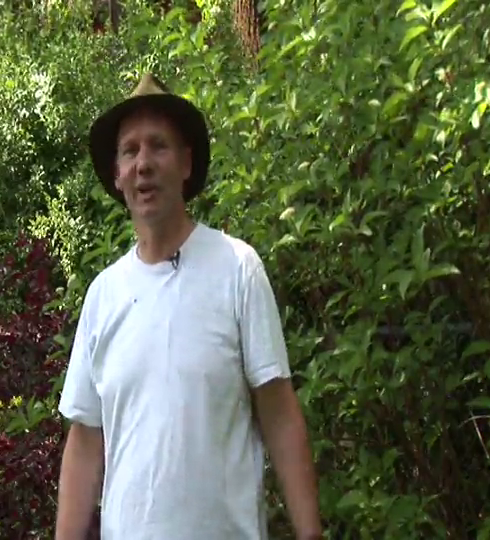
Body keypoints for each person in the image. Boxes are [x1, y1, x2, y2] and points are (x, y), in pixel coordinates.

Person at [55, 73, 322, 540]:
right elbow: (85, 440)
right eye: (129, 151)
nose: (143, 164)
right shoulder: (103, 295)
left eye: (158, 146)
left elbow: (278, 413)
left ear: (185, 163)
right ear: (117, 175)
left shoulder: (237, 268)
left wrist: (311, 534)